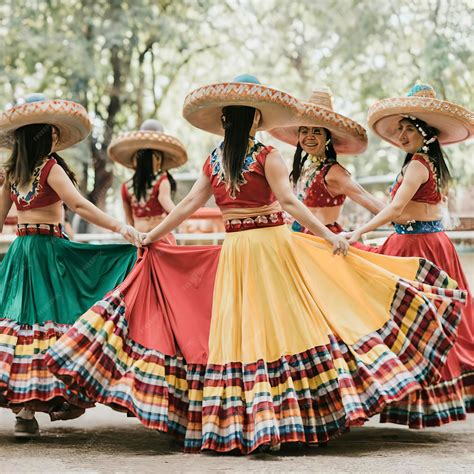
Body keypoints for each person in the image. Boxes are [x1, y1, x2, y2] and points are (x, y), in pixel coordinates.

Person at [46, 76, 465, 454]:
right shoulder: (268, 156)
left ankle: (241, 419)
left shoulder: (214, 160)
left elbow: (190, 205)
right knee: (284, 326)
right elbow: (288, 204)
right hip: (273, 248)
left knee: (242, 330)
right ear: (256, 122)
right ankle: (290, 417)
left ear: (225, 123)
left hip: (236, 253)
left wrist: (151, 236)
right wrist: (330, 235)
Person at [0, 94, 141, 438]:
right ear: (42, 135)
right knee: (60, 320)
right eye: (51, 132)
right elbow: (79, 205)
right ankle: (54, 398)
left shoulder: (11, 173)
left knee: (22, 323)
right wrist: (121, 227)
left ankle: (25, 411)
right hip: (49, 252)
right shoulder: (51, 168)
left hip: (22, 252)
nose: (54, 138)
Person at [345, 83, 474, 427]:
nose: (401, 134)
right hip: (419, 243)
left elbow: (397, 208)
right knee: (415, 323)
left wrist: (359, 232)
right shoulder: (423, 164)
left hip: (420, 248)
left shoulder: (419, 165)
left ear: (426, 133)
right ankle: (412, 397)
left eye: (408, 128)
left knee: (418, 323)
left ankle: (421, 396)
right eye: (399, 128)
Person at [270, 89, 384, 234]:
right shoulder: (305, 168)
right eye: (305, 131)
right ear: (298, 136)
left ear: (327, 138)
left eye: (317, 132)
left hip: (324, 244)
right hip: (299, 241)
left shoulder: (334, 172)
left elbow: (371, 202)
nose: (310, 137)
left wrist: (402, 219)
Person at [109, 119, 187, 243]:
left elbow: (129, 221)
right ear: (156, 159)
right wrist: (185, 216)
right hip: (160, 239)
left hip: (140, 239)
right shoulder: (162, 180)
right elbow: (172, 210)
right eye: (157, 156)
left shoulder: (126, 187)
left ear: (136, 161)